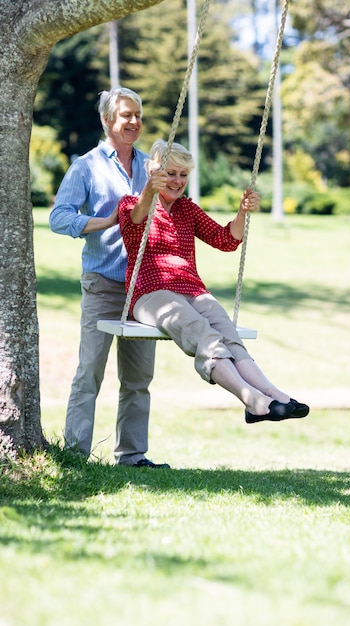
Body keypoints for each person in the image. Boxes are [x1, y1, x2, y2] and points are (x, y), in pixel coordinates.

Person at [118, 139, 309, 425]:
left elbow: (226, 240)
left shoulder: (186, 210)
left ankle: (271, 394)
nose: (177, 181)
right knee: (201, 331)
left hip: (193, 290)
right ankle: (252, 399)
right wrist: (150, 190)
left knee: (227, 333)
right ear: (155, 173)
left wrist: (243, 211)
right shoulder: (133, 203)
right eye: (171, 173)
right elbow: (134, 224)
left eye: (183, 175)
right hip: (151, 293)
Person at [49, 88, 169, 469]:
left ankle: (132, 456)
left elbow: (173, 210)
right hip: (102, 282)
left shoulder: (152, 166)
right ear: (107, 121)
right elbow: (59, 217)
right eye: (125, 115)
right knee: (90, 373)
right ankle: (75, 455)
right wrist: (104, 223)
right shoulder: (86, 167)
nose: (134, 122)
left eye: (138, 115)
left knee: (138, 379)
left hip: (144, 289)